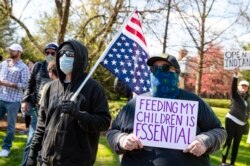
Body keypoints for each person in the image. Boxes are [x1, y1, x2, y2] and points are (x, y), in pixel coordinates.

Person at [107, 54, 227, 166]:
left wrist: (204, 141)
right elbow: (113, 132)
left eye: (165, 68)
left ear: (176, 73)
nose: (159, 72)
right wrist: (122, 140)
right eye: (154, 68)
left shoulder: (194, 102)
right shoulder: (136, 103)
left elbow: (219, 131)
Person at [26, 39, 111, 165]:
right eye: (61, 54)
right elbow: (42, 125)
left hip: (77, 161)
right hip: (47, 160)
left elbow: (104, 122)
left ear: (80, 58)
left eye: (69, 55)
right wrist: (32, 155)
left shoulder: (93, 88)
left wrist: (79, 115)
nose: (64, 58)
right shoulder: (51, 87)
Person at [21, 43, 58, 166]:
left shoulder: (61, 68)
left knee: (48, 140)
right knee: (33, 138)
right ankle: (26, 163)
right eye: (47, 53)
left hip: (53, 110)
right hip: (37, 107)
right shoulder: (38, 66)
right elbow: (30, 83)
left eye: (52, 53)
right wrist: (25, 100)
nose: (49, 55)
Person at [0, 43, 30, 157]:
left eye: (13, 51)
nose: (10, 52)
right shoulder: (3, 64)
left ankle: (6, 148)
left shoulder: (23, 67)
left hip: (13, 100)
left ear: (19, 52)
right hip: (1, 97)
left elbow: (25, 85)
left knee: (10, 126)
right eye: (10, 50)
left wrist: (9, 84)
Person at [221, 68, 249, 166]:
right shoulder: (235, 94)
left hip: (241, 125)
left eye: (246, 86)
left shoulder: (247, 99)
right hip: (231, 121)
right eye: (242, 86)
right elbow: (232, 87)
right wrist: (235, 76)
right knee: (228, 142)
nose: (244, 88)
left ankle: (232, 163)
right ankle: (223, 162)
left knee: (236, 145)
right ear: (238, 87)